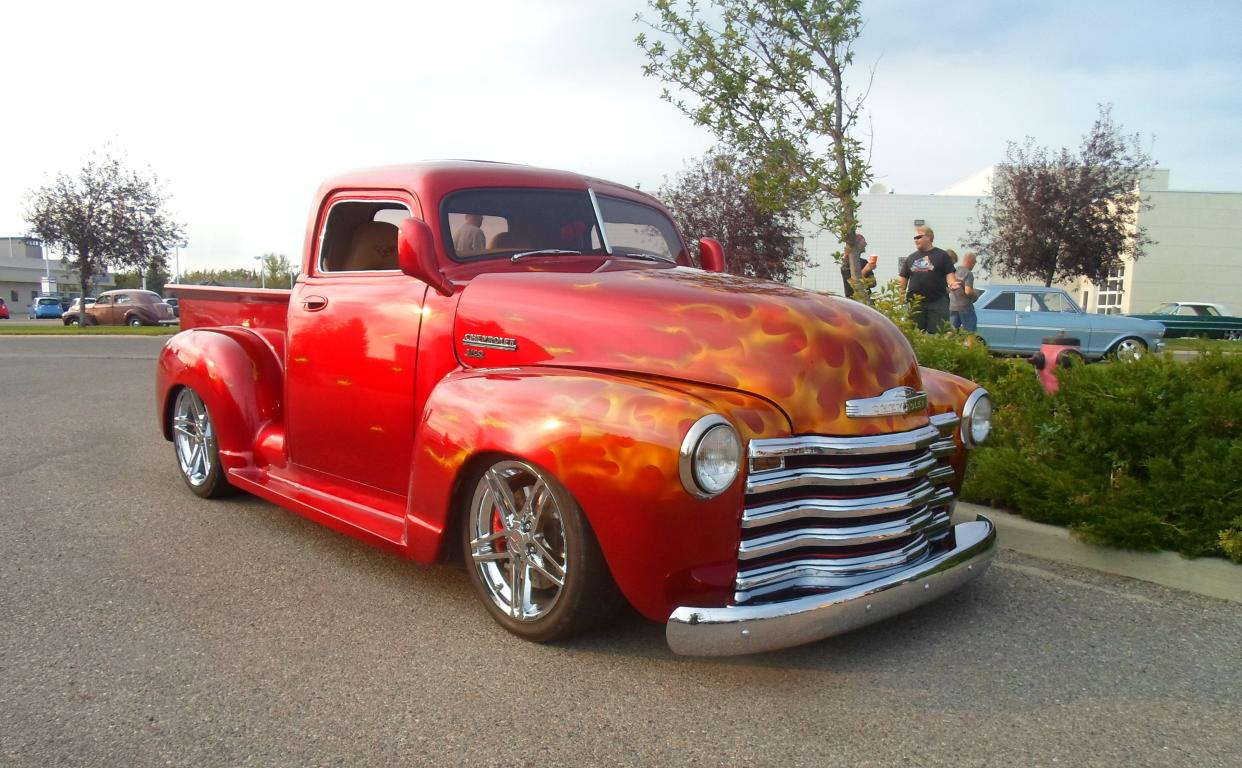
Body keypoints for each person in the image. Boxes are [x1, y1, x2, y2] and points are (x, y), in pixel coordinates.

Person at [899, 225, 959, 332]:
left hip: (937, 301)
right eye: (915, 238)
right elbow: (903, 279)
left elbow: (950, 275)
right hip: (915, 303)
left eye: (919, 237)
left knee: (938, 333)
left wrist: (952, 284)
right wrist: (900, 296)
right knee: (915, 333)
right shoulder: (911, 257)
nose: (916, 240)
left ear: (929, 237)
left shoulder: (942, 255)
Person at [838, 232, 878, 299]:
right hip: (853, 300)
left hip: (866, 298)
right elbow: (852, 285)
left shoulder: (864, 262)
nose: (866, 244)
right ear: (856, 244)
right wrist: (866, 270)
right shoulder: (846, 264)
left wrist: (867, 276)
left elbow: (873, 283)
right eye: (863, 242)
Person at [949, 250, 979, 331]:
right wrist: (975, 296)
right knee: (970, 331)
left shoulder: (954, 271)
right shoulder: (968, 273)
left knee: (952, 331)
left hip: (952, 306)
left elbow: (948, 288)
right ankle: (970, 343)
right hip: (965, 307)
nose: (974, 264)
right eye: (975, 262)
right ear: (971, 261)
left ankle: (948, 343)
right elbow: (968, 291)